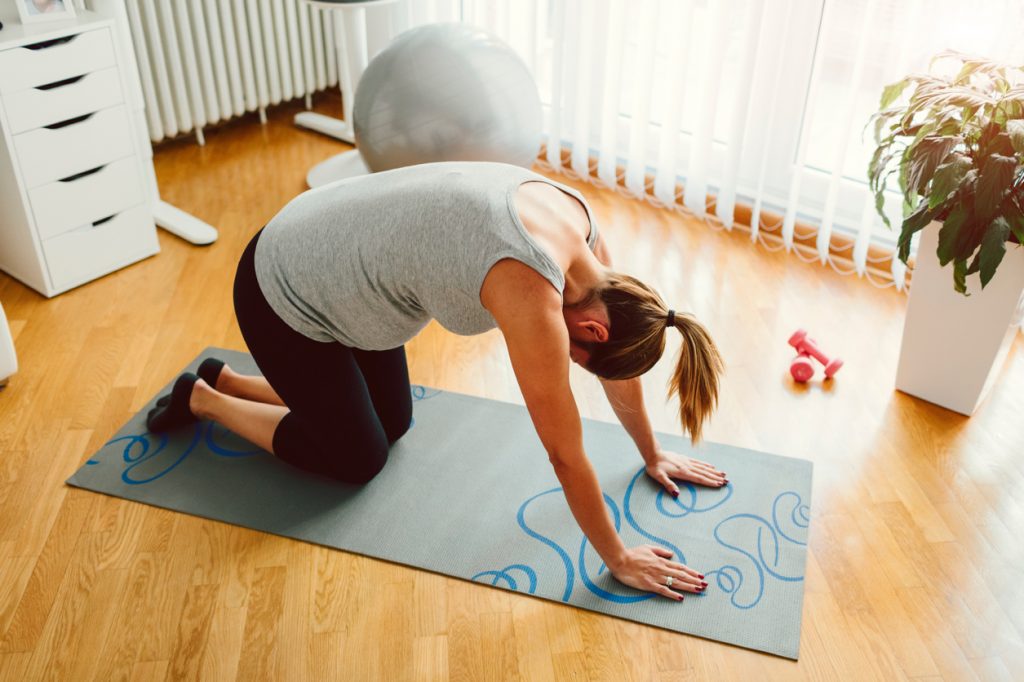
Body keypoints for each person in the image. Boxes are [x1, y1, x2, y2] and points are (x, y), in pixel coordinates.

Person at [148, 161, 726, 601]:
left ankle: (224, 377)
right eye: (581, 357)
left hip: (349, 281)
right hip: (286, 287)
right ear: (595, 331)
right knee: (358, 457)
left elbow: (614, 375)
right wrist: (618, 556)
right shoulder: (531, 287)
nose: (569, 362)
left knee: (394, 421)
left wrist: (652, 453)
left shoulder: (587, 243)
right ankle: (202, 399)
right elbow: (564, 454)